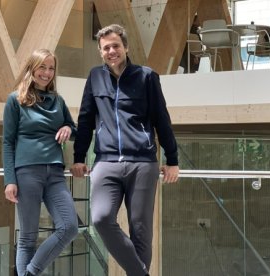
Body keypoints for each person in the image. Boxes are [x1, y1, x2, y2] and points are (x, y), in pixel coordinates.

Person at [70, 24, 179, 276]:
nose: (111, 51)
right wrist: (78, 157)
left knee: (140, 229)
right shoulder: (95, 77)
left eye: (116, 46)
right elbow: (86, 120)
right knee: (101, 218)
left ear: (126, 47)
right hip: (106, 162)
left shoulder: (146, 76)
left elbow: (162, 119)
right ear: (100, 51)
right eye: (106, 47)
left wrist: (172, 159)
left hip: (142, 162)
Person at [2, 49, 78, 276]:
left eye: (51, 68)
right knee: (27, 238)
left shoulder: (58, 100)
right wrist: (9, 180)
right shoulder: (15, 99)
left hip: (55, 173)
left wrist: (67, 128)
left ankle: (29, 273)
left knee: (69, 227)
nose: (47, 73)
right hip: (27, 173)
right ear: (32, 68)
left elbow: (75, 130)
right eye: (42, 67)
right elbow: (7, 142)